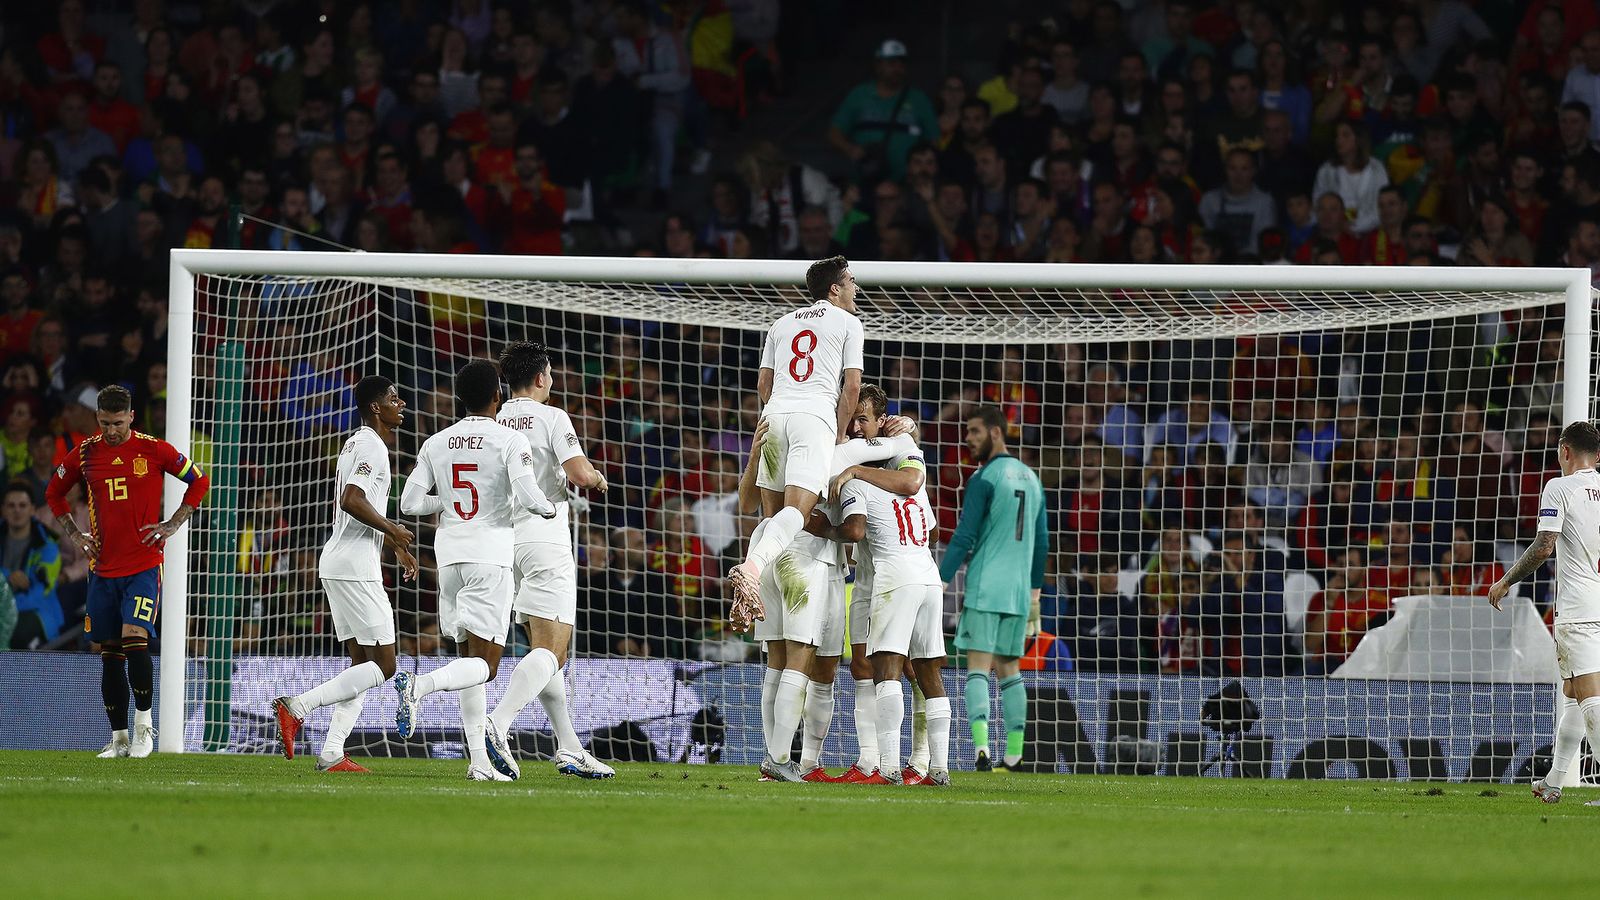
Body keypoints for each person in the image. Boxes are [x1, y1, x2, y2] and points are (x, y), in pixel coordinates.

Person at [396, 360, 556, 782]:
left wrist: (444, 505)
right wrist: (549, 507)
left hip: (448, 559)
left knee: (469, 659)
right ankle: (420, 686)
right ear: (497, 397)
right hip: (489, 557)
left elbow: (409, 504)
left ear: (459, 399)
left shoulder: (436, 442)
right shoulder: (509, 439)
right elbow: (528, 493)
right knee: (486, 666)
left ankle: (479, 764)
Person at [46, 385, 210, 759]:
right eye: (105, 423)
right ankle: (119, 739)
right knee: (108, 652)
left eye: (118, 423)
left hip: (143, 564)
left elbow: (199, 480)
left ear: (131, 417)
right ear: (98, 418)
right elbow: (54, 492)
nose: (112, 430)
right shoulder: (86, 453)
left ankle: (143, 728)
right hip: (102, 569)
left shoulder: (154, 449)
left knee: (136, 637)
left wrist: (172, 524)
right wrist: (75, 534)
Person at [271, 377, 419, 773]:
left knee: (361, 667)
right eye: (392, 398)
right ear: (376, 407)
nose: (400, 402)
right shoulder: (372, 445)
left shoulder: (355, 442)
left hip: (339, 561)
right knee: (385, 667)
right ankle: (297, 706)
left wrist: (394, 545)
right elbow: (351, 499)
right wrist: (393, 529)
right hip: (355, 568)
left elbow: (358, 505)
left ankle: (333, 750)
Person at [482, 342, 615, 781]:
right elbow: (578, 473)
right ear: (541, 378)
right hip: (544, 539)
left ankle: (569, 746)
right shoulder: (553, 417)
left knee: (545, 650)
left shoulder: (493, 421)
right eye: (551, 372)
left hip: (503, 542)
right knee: (552, 651)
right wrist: (596, 477)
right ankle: (497, 723)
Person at [727, 256, 862, 624]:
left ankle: (756, 604)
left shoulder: (781, 323)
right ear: (835, 289)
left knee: (770, 517)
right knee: (797, 514)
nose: (856, 288)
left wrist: (775, 413)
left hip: (774, 415)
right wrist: (835, 431)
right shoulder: (849, 322)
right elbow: (852, 386)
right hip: (813, 417)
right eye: (851, 281)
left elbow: (763, 385)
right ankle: (752, 571)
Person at [1490, 421, 1600, 805]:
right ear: (1598, 456)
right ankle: (1553, 780)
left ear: (1565, 451)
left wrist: (1505, 581)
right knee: (1572, 693)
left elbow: (1543, 546)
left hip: (1580, 608)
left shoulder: (1560, 487)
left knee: (1588, 695)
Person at [939, 405, 1048, 771]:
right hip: (1018, 594)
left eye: (974, 431)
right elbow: (1043, 543)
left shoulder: (983, 478)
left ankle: (982, 750)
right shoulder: (1032, 478)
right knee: (1010, 669)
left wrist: (940, 579)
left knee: (977, 669)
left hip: (987, 585)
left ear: (996, 433)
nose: (968, 439)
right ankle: (1015, 756)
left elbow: (964, 535)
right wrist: (1034, 595)